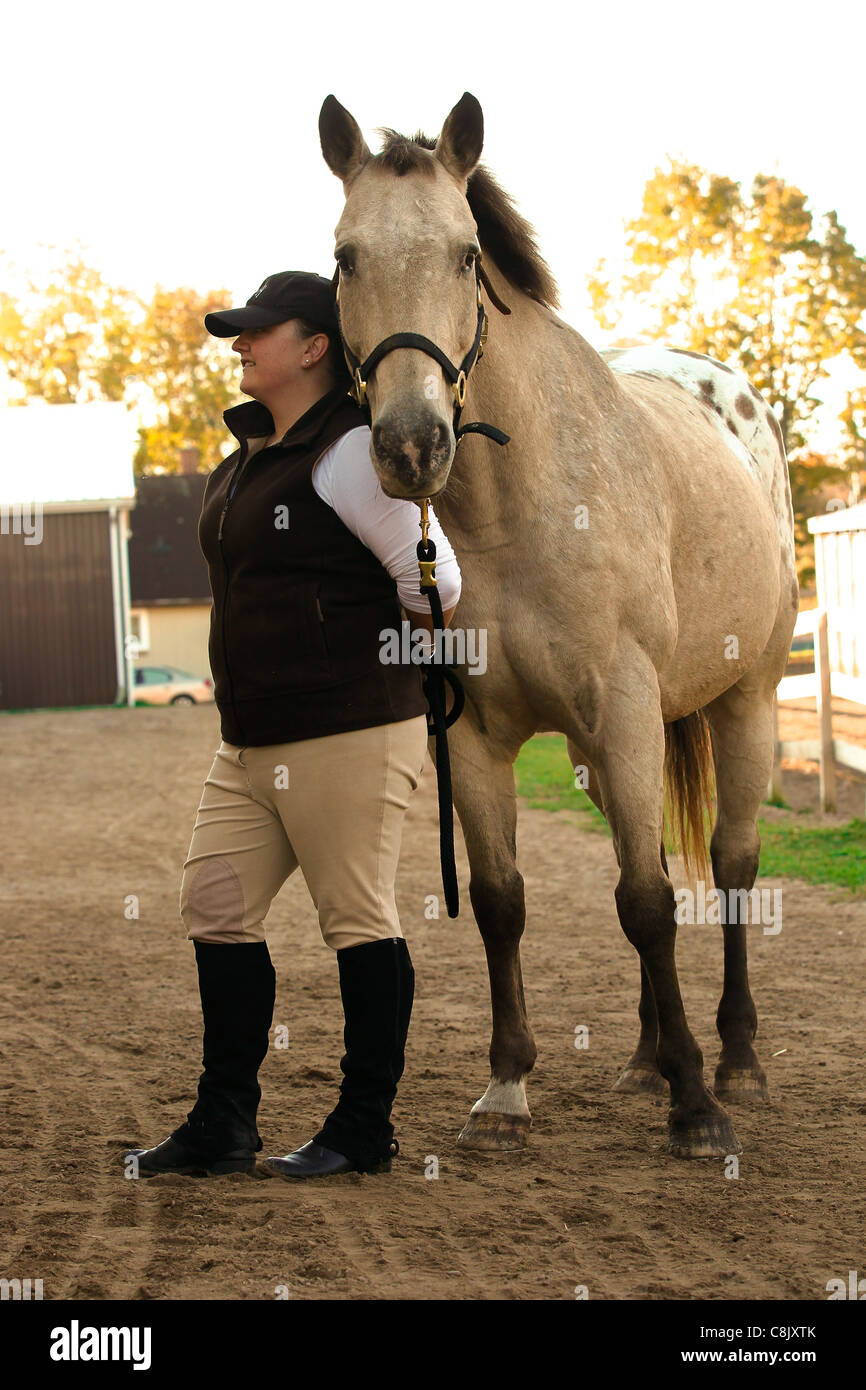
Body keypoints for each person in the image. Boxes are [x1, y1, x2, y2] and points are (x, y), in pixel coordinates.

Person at [125, 271, 461, 1180]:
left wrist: (393, 645)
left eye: (256, 333)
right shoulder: (248, 456)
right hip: (248, 738)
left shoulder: (348, 450)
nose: (240, 345)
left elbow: (438, 585)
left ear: (313, 347)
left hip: (346, 727)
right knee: (216, 908)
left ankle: (362, 1131)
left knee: (356, 918)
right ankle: (225, 1123)